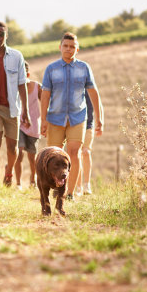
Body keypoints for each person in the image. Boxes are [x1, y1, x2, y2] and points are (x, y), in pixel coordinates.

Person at [40, 32, 103, 199]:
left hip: (77, 117)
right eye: (66, 46)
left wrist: (99, 118)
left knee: (74, 152)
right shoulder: (51, 69)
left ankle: (69, 193)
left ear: (77, 49)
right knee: (54, 154)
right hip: (55, 118)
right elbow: (45, 95)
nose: (68, 49)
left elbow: (93, 93)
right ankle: (56, 187)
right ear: (60, 47)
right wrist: (43, 120)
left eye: (72, 47)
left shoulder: (84, 68)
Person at [0, 21, 30, 194]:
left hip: (12, 108)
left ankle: (8, 173)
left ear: (6, 35)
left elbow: (22, 84)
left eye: (1, 33)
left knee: (12, 148)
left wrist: (26, 111)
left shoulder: (17, 56)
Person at [14, 61, 42, 190]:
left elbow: (46, 103)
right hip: (18, 124)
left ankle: (33, 181)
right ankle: (18, 183)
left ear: (28, 74)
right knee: (18, 152)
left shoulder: (37, 87)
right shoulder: (13, 87)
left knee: (32, 156)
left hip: (33, 126)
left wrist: (46, 121)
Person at [75, 90, 103, 196]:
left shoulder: (91, 89)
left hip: (88, 126)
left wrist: (101, 122)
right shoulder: (74, 87)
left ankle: (87, 185)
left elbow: (99, 105)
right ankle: (78, 187)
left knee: (86, 152)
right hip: (75, 125)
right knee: (76, 155)